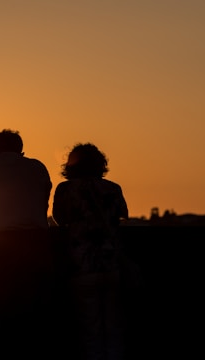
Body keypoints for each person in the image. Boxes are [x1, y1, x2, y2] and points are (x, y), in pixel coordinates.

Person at [0, 129, 54, 355]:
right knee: (34, 313)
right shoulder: (38, 168)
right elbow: (43, 205)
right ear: (22, 151)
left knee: (2, 311)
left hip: (0, 248)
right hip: (38, 245)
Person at [52, 142, 129, 360]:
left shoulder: (65, 190)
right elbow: (122, 215)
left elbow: (60, 219)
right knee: (114, 329)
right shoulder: (113, 189)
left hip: (81, 266)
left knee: (90, 331)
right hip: (112, 265)